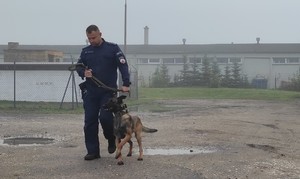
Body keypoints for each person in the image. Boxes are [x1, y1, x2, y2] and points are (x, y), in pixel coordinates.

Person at [76, 24, 131, 160]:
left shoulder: (112, 49)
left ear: (100, 34)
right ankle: (93, 151)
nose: (92, 41)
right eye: (89, 39)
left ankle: (111, 137)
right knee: (90, 122)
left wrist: (125, 83)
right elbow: (78, 67)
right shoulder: (86, 51)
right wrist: (84, 72)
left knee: (105, 118)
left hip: (107, 91)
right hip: (91, 92)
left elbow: (123, 65)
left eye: (94, 37)